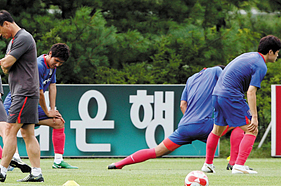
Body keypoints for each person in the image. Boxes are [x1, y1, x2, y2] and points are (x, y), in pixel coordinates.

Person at [108, 65, 225, 169]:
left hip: (185, 127)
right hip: (204, 125)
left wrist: (192, 121)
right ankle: (231, 164)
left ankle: (119, 164)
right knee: (239, 123)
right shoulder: (216, 70)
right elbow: (227, 85)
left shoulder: (191, 79)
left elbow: (182, 105)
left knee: (155, 151)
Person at [201, 35, 281, 174]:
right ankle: (239, 165)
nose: (278, 55)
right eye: (277, 52)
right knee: (252, 129)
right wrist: (254, 117)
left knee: (217, 130)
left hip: (217, 94)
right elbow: (251, 92)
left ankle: (207, 164)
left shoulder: (249, 56)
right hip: (230, 96)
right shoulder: (261, 65)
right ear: (270, 52)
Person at [0, 10, 43, 182]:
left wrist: (6, 62)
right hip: (24, 92)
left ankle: (1, 171)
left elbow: (6, 64)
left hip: (24, 92)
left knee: (9, 130)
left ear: (7, 24)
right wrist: (6, 63)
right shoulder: (14, 42)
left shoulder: (23, 38)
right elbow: (6, 66)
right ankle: (36, 173)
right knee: (27, 133)